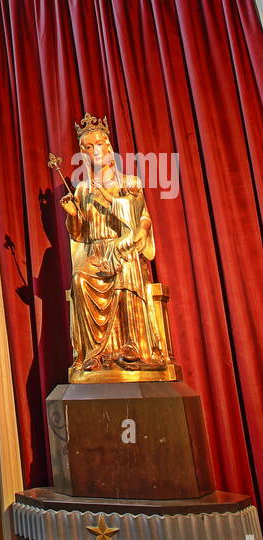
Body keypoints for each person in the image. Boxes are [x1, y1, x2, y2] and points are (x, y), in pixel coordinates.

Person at [60, 115, 166, 375]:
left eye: (98, 144)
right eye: (87, 147)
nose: (94, 150)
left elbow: (142, 217)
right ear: (83, 153)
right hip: (96, 254)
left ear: (108, 147)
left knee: (126, 265)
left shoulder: (129, 182)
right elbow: (79, 236)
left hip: (124, 248)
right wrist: (73, 215)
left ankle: (133, 347)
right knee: (79, 281)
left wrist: (138, 232)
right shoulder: (82, 189)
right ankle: (96, 355)